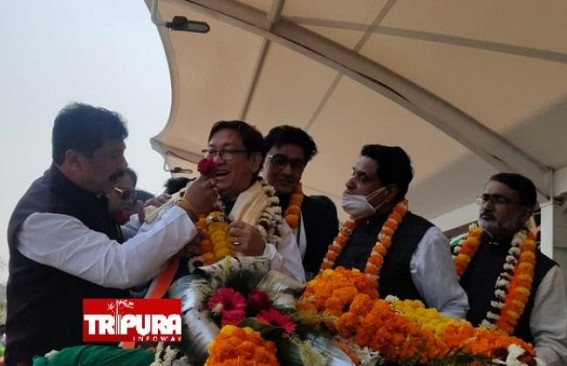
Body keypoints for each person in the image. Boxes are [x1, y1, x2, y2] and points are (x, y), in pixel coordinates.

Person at [5, 103, 217, 365]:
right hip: (55, 348)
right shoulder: (42, 217)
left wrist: (154, 222)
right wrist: (186, 209)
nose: (123, 164)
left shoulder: (87, 193)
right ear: (74, 160)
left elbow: (115, 242)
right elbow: (120, 266)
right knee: (187, 357)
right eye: (114, 155)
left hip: (98, 319)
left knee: (202, 323)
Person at [321, 144, 468, 319]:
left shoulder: (427, 238)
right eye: (353, 173)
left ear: (389, 192)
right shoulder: (348, 230)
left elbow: (453, 307)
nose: (349, 183)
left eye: (363, 178)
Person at [452, 173, 567, 365]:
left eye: (499, 200)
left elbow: (554, 345)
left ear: (525, 213)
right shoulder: (454, 254)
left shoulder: (545, 271)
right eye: (485, 198)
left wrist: (516, 362)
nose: (487, 206)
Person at [190, 120, 304, 283]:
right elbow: (140, 263)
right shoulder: (182, 201)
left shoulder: (274, 223)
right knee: (144, 308)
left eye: (227, 152)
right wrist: (180, 218)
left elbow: (297, 285)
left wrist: (263, 252)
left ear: (254, 162)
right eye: (211, 151)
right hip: (163, 306)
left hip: (236, 306)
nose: (216, 160)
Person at [262, 125, 338, 280]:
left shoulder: (320, 212)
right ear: (261, 159)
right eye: (279, 161)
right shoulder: (240, 199)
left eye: (296, 165)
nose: (287, 171)